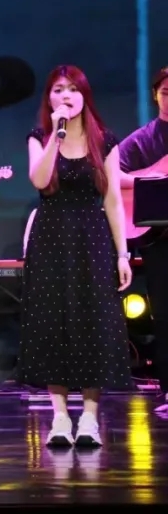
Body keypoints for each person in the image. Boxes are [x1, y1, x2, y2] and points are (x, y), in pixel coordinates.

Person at [20, 65, 133, 449]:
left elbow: (113, 200)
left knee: (93, 323)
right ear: (49, 98)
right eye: (57, 89)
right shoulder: (39, 137)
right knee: (53, 323)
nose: (65, 95)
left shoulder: (106, 141)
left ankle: (88, 417)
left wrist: (122, 253)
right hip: (51, 238)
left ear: (84, 95)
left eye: (72, 89)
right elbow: (39, 180)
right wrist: (56, 135)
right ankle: (59, 417)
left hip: (92, 238)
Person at [117, 65, 168, 413]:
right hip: (158, 238)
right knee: (164, 314)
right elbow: (109, 173)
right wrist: (150, 179)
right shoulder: (143, 139)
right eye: (166, 92)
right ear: (155, 95)